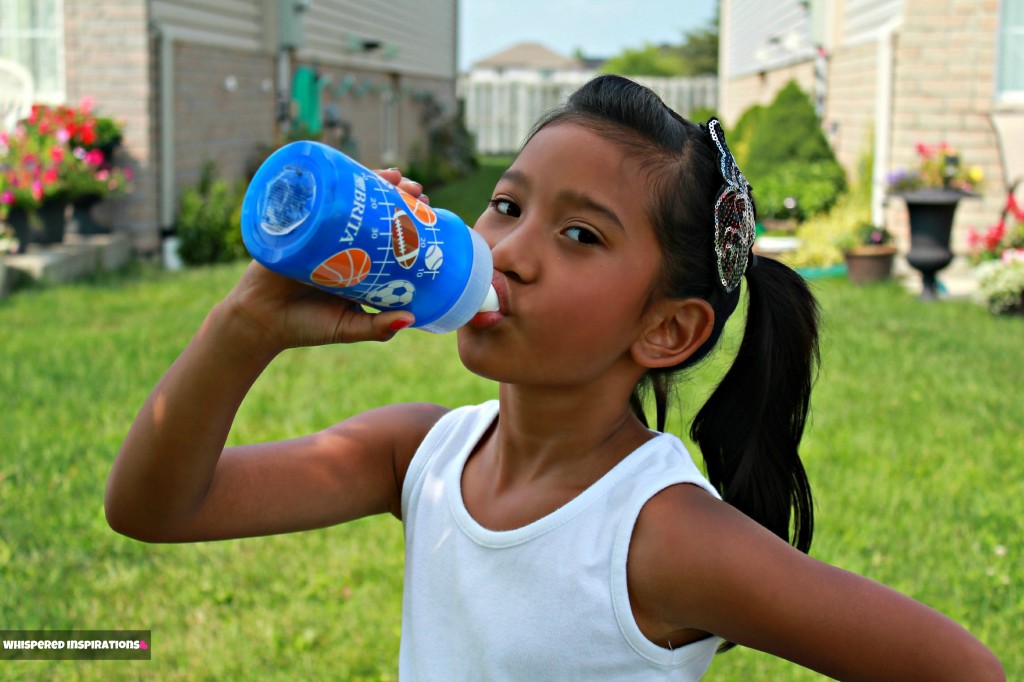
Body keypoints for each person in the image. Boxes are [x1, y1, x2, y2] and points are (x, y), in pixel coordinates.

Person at [106, 75, 1004, 680]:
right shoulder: (417, 453)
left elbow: (963, 668)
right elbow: (156, 507)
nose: (510, 251)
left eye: (581, 235)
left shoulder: (659, 533)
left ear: (667, 329)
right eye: (505, 204)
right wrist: (245, 327)